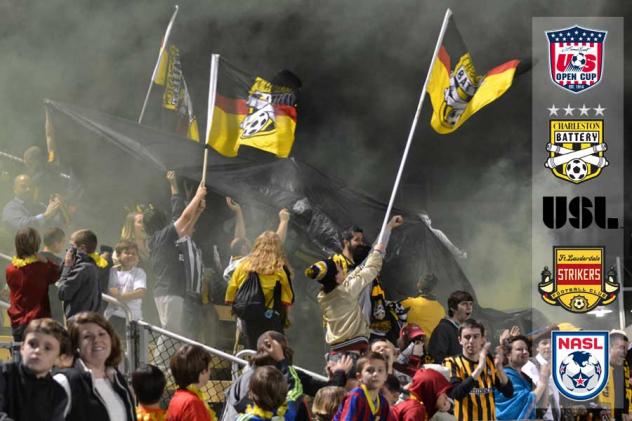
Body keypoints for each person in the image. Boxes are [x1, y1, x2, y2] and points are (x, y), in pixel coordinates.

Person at [307, 215, 403, 354]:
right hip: (351, 335)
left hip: (360, 330)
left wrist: (388, 228)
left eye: (362, 240)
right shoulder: (338, 269)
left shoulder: (327, 292)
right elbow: (370, 265)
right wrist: (378, 250)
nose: (361, 243)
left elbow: (368, 262)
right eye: (357, 240)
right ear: (346, 242)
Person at [222, 330, 351, 421]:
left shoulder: (251, 375)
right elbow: (295, 389)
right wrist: (281, 359)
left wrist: (335, 376)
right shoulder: (264, 378)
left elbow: (323, 391)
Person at [143, 180, 206, 336]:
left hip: (172, 291)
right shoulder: (161, 237)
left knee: (174, 334)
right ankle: (159, 361)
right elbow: (184, 218)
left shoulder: (161, 239)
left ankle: (165, 360)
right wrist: (197, 196)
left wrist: (198, 211)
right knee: (171, 335)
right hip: (169, 291)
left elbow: (185, 230)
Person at [53, 312, 136, 421]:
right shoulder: (65, 382)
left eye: (101, 334)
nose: (97, 340)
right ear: (75, 345)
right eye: (87, 336)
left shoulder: (116, 378)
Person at [225, 231, 294, 348]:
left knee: (254, 351)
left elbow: (230, 293)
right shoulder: (279, 268)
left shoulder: (243, 265)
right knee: (275, 352)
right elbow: (287, 300)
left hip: (248, 318)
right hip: (269, 318)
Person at [443, 319, 513, 421]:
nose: (471, 341)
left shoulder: (489, 361)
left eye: (476, 336)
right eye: (467, 337)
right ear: (460, 340)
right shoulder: (451, 362)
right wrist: (480, 368)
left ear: (482, 339)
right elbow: (456, 394)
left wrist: (499, 368)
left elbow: (508, 392)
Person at [0, 318, 69, 421]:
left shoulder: (58, 394)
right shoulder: (4, 374)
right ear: (22, 348)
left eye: (47, 348)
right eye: (32, 344)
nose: (37, 350)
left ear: (58, 358)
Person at [6, 227, 60, 341]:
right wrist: (46, 261)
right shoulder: (42, 268)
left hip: (17, 321)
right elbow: (57, 275)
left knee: (20, 356)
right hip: (38, 321)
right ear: (36, 244)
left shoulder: (11, 268)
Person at [223, 197, 291, 283]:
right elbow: (275, 245)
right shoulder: (249, 263)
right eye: (246, 242)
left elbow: (239, 237)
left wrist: (238, 211)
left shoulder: (236, 262)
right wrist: (284, 220)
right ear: (244, 249)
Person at [495, 335, 548, 420]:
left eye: (526, 349)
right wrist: (542, 383)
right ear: (508, 354)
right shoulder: (506, 375)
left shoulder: (524, 377)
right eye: (519, 349)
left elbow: (540, 406)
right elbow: (524, 403)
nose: (525, 352)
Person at [57, 229, 104, 319]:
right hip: (89, 319)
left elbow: (63, 293)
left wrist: (67, 267)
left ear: (82, 248)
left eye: (72, 247)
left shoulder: (82, 268)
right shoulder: (91, 265)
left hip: (79, 321)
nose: (69, 251)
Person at [333, 352, 395, 420]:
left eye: (380, 370)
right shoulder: (356, 396)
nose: (375, 374)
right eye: (370, 370)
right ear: (359, 376)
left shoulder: (383, 402)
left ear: (386, 376)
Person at [166, 344, 216, 421]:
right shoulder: (192, 403)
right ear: (203, 371)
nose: (210, 372)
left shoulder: (179, 396)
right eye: (209, 368)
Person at [521, 329, 559, 420]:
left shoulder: (557, 365)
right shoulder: (530, 365)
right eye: (544, 343)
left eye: (552, 342)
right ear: (537, 347)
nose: (549, 346)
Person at [104, 240, 146, 321]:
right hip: (112, 316)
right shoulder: (112, 271)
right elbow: (112, 291)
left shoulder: (139, 272)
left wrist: (120, 296)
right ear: (118, 256)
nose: (130, 255)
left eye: (134, 254)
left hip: (132, 317)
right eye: (127, 253)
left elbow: (140, 292)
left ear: (137, 257)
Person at [427, 290, 474, 364]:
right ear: (452, 308)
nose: (469, 307)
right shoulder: (442, 329)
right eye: (464, 304)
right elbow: (437, 360)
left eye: (470, 304)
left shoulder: (467, 330)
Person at [594, 330, 631, 420]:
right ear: (610, 347)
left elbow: (627, 393)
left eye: (626, 349)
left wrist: (629, 411)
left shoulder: (624, 366)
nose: (625, 352)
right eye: (621, 348)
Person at [399, 273, 446, 340]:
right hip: (432, 347)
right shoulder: (441, 310)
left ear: (418, 285)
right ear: (435, 289)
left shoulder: (409, 303)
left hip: (412, 345)